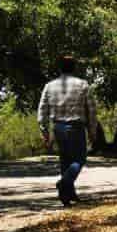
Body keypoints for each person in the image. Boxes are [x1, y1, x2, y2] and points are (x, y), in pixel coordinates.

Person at [38, 55, 99, 207]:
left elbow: (42, 109)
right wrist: (92, 131)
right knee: (79, 160)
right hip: (75, 127)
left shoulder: (49, 86)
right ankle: (64, 183)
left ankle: (67, 196)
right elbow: (91, 110)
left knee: (65, 161)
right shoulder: (82, 84)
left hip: (58, 127)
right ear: (74, 68)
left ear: (60, 68)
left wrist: (44, 130)